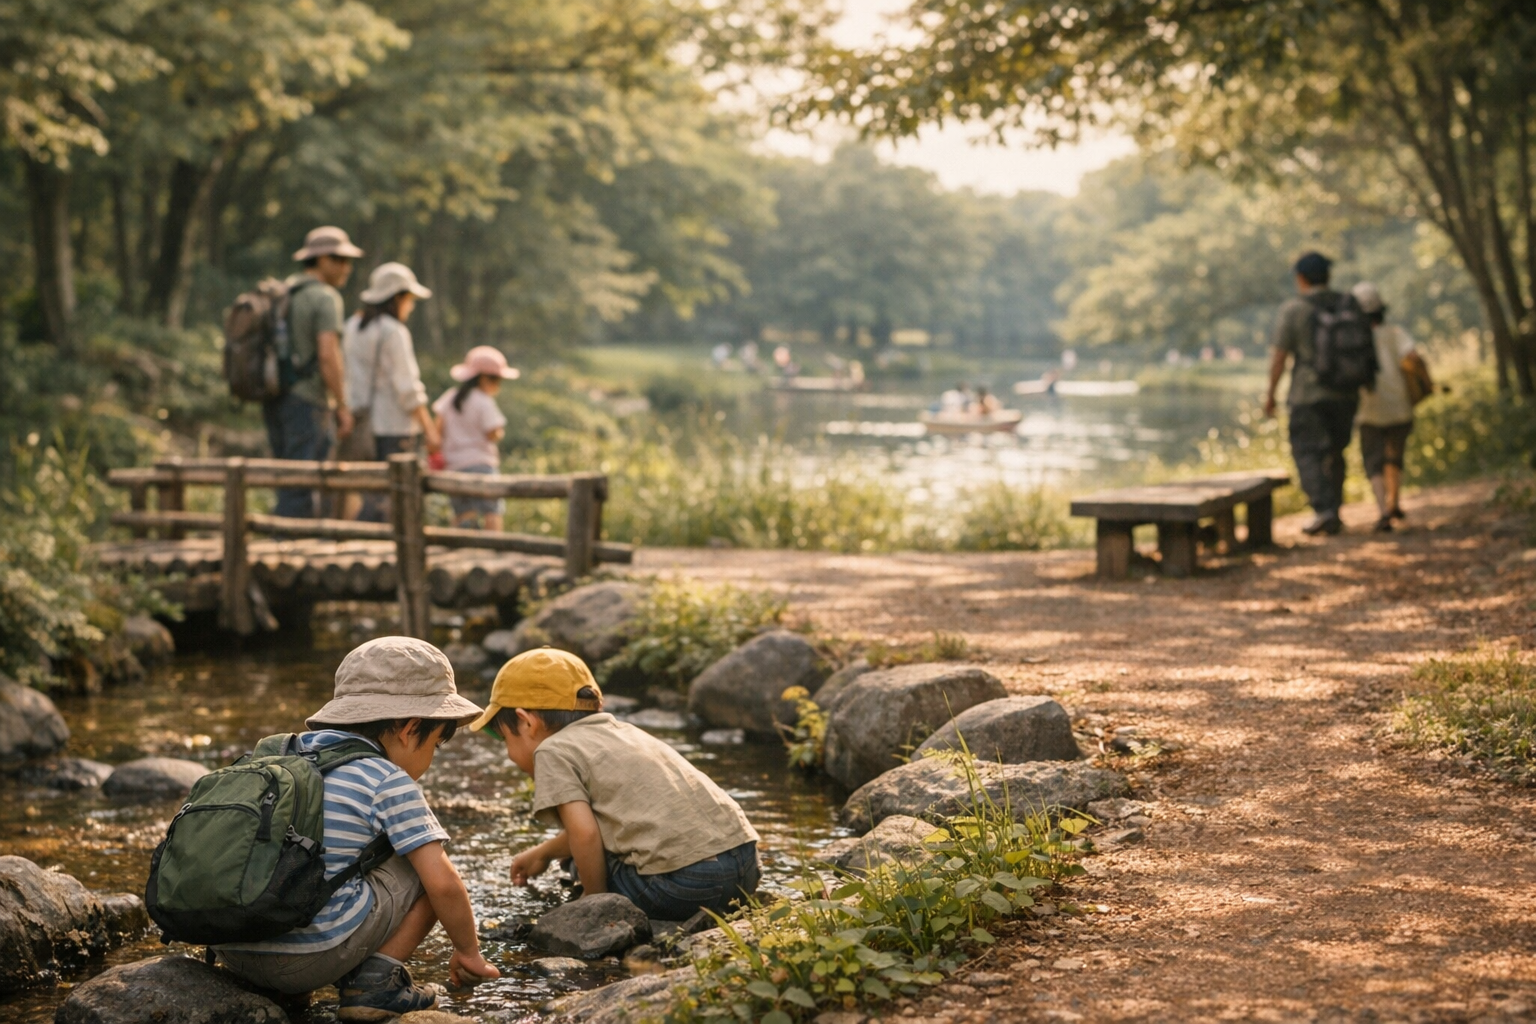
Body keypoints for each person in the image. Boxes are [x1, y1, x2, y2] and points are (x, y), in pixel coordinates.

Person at [214, 637, 498, 1019]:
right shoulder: (387, 779)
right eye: (435, 744)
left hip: (231, 951)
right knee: (426, 868)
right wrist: (469, 952)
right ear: (410, 728)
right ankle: (374, 986)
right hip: (307, 960)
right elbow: (444, 884)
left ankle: (282, 988)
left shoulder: (281, 756)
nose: (432, 757)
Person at [480, 648, 761, 921]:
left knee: (579, 861)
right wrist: (542, 853)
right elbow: (612, 826)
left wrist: (594, 902)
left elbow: (586, 835)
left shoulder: (552, 750)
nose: (507, 751)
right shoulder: (625, 732)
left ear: (526, 722)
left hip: (685, 887)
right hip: (746, 867)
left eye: (503, 738)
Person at [1263, 251, 1359, 536]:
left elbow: (1280, 357)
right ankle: (1334, 510)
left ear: (1301, 278)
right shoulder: (1347, 304)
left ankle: (1324, 510)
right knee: (1335, 452)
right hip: (1346, 393)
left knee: (1307, 452)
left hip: (1308, 395)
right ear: (1328, 277)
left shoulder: (1294, 310)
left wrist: (1270, 394)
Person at [268, 226, 360, 518]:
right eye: (339, 259)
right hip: (309, 400)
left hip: (276, 396)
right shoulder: (325, 298)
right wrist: (342, 406)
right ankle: (291, 552)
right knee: (304, 481)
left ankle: (283, 544)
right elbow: (327, 355)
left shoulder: (284, 292)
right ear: (321, 260)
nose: (347, 267)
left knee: (286, 477)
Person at [343, 263, 441, 522]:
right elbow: (408, 388)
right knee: (394, 498)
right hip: (394, 426)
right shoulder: (393, 331)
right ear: (397, 297)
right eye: (409, 300)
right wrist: (429, 429)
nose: (410, 306)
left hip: (361, 424)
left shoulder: (352, 326)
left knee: (371, 490)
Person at [1352, 281, 1416, 532]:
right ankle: (1394, 502)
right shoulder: (1394, 333)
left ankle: (1382, 511)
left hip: (1368, 407)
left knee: (1373, 461)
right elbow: (1414, 357)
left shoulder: (1353, 340)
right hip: (1399, 404)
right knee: (1394, 456)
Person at [432, 346, 518, 530]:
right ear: (484, 378)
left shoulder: (450, 397)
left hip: (454, 466)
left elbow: (436, 431)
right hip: (482, 465)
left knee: (463, 513)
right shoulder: (484, 401)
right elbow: (493, 433)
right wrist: (499, 433)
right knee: (491, 511)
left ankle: (461, 551)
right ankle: (495, 551)